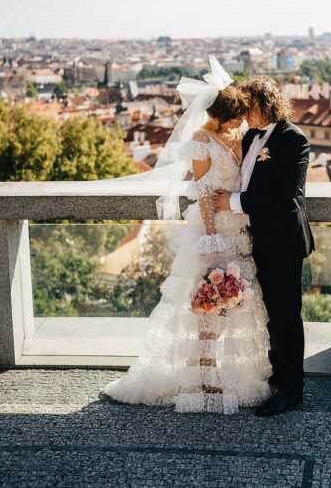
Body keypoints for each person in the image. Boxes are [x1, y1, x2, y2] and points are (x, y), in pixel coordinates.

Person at [104, 57, 271, 414]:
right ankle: (206, 376)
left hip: (239, 231)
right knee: (207, 305)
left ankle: (230, 374)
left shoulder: (236, 133)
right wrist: (211, 240)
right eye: (237, 116)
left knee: (236, 305)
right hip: (212, 233)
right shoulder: (200, 141)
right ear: (217, 117)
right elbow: (202, 193)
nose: (242, 121)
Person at [213, 75, 314, 417]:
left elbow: (286, 194)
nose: (244, 113)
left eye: (249, 106)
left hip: (284, 242)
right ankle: (277, 374)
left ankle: (291, 390)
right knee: (271, 314)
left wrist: (234, 203)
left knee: (287, 316)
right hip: (259, 240)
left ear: (267, 104)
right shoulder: (253, 135)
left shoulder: (293, 140)